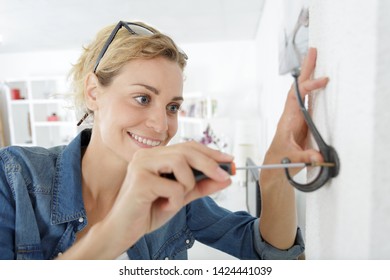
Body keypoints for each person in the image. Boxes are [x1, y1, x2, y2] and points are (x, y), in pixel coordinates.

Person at [0, 21, 328, 260]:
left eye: (172, 106)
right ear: (93, 92)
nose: (161, 125)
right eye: (143, 98)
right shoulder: (14, 178)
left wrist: (275, 178)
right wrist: (113, 233)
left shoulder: (177, 194)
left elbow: (268, 255)